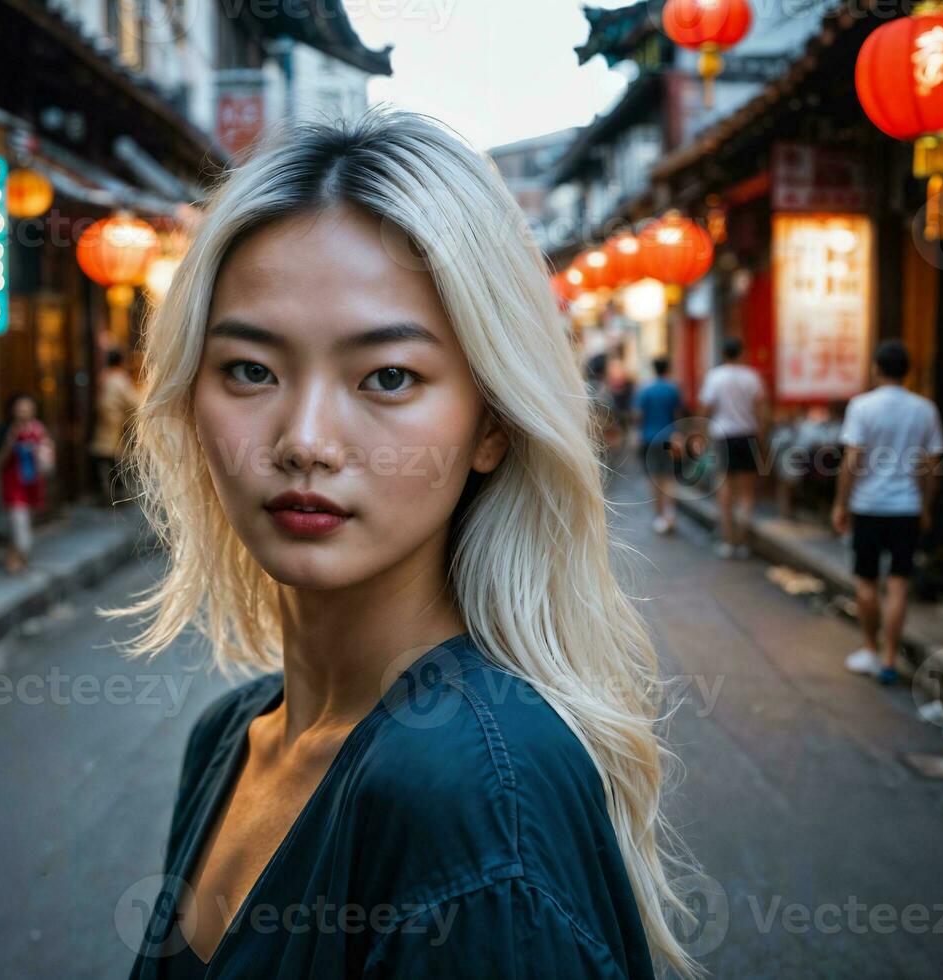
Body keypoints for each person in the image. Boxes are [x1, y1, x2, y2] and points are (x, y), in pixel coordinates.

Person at [116, 114, 697, 980]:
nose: (306, 440)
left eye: (388, 377)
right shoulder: (227, 739)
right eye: (249, 369)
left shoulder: (472, 796)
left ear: (490, 423)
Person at [832, 340, 943, 685]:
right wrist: (925, 506)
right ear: (907, 372)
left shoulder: (862, 406)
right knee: (898, 585)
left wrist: (841, 503)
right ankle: (890, 658)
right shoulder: (925, 409)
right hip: (906, 508)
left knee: (866, 582)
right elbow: (932, 464)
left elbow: (852, 460)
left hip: (868, 507)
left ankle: (869, 647)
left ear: (876, 369)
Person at [699, 338, 765, 559]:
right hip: (747, 436)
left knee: (725, 488)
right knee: (746, 492)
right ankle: (743, 540)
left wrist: (701, 434)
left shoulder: (715, 377)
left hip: (723, 436)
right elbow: (760, 410)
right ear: (742, 353)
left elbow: (706, 408)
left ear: (723, 354)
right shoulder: (751, 377)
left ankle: (728, 540)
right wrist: (762, 438)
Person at [0, 394, 54, 575]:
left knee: (24, 523)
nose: (23, 412)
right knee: (19, 522)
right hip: (13, 483)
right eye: (20, 408)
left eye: (27, 408)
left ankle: (15, 556)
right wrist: (10, 443)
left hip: (33, 483)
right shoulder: (7, 431)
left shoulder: (39, 430)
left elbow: (47, 457)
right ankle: (21, 555)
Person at [634, 355, 684, 534]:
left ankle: (659, 516)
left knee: (654, 478)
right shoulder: (673, 389)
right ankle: (670, 515)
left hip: (649, 438)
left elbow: (639, 416)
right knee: (669, 477)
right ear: (668, 368)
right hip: (670, 438)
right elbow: (678, 414)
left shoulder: (646, 390)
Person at [89, 348, 140, 506]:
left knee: (104, 454)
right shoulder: (119, 379)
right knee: (115, 459)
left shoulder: (103, 377)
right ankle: (115, 494)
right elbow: (132, 401)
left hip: (104, 421)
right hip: (115, 422)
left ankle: (105, 491)